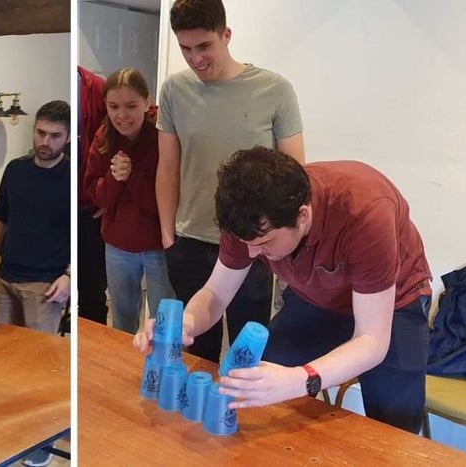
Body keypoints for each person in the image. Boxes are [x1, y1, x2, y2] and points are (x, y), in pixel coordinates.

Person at [135, 147, 432, 433]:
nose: (252, 255)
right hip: (316, 297)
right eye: (246, 244)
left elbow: (371, 339)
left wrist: (299, 379)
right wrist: (186, 323)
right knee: (257, 386)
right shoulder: (248, 218)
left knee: (394, 427)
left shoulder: (365, 213)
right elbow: (217, 293)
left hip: (394, 303)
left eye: (264, 245)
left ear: (302, 217)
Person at [156, 0, 305, 362]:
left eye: (204, 46)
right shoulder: (174, 90)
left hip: (252, 244)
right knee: (194, 350)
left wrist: (280, 247)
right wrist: (167, 235)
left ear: (226, 35)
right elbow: (167, 167)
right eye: (185, 49)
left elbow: (296, 174)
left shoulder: (275, 90)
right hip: (190, 241)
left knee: (246, 349)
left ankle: (237, 419)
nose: (195, 59)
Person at [83, 67, 174, 333]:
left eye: (131, 105)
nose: (122, 115)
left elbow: (164, 200)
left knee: (163, 320)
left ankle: (158, 371)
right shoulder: (103, 137)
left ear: (147, 102)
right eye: (113, 106)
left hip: (159, 244)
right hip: (118, 245)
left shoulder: (163, 135)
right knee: (122, 320)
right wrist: (116, 178)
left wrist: (131, 176)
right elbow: (98, 196)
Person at [0, 100, 71, 334]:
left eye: (55, 136)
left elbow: (83, 233)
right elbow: (0, 216)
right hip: (6, 278)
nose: (45, 142)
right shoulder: (15, 169)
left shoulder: (74, 178)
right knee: (3, 351)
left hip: (45, 284)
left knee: (38, 358)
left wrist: (70, 276)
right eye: (41, 133)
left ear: (68, 138)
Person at [77, 66, 109, 325]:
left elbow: (118, 140)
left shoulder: (95, 87)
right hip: (58, 209)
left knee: (92, 293)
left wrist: (112, 200)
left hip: (90, 209)